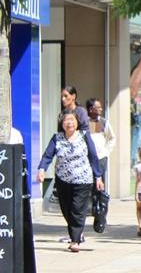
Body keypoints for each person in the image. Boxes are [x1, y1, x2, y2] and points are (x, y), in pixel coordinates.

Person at [37, 110, 104, 252]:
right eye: (66, 120)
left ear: (77, 122)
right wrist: (42, 169)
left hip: (83, 180)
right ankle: (77, 232)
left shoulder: (84, 136)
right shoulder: (57, 138)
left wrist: (98, 176)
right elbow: (48, 155)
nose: (70, 123)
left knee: (77, 209)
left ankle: (75, 240)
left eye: (72, 120)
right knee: (67, 210)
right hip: (63, 180)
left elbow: (93, 156)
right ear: (62, 124)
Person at [84, 98, 115, 185]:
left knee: (99, 184)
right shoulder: (84, 123)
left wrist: (106, 152)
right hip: (87, 158)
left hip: (101, 158)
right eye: (98, 107)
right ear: (91, 109)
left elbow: (112, 138)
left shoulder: (104, 122)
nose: (101, 109)